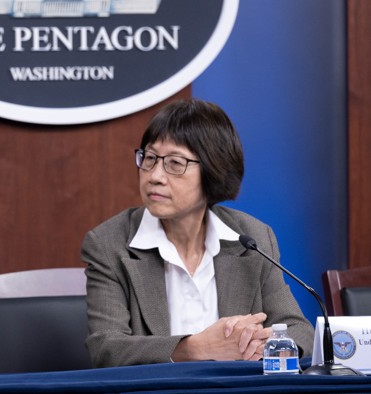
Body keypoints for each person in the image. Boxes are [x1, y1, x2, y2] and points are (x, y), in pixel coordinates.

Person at [81, 99, 314, 368]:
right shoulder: (110, 244)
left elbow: (299, 331)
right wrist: (193, 348)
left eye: (175, 163)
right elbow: (107, 347)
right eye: (150, 158)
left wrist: (261, 344)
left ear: (213, 171)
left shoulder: (252, 238)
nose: (155, 175)